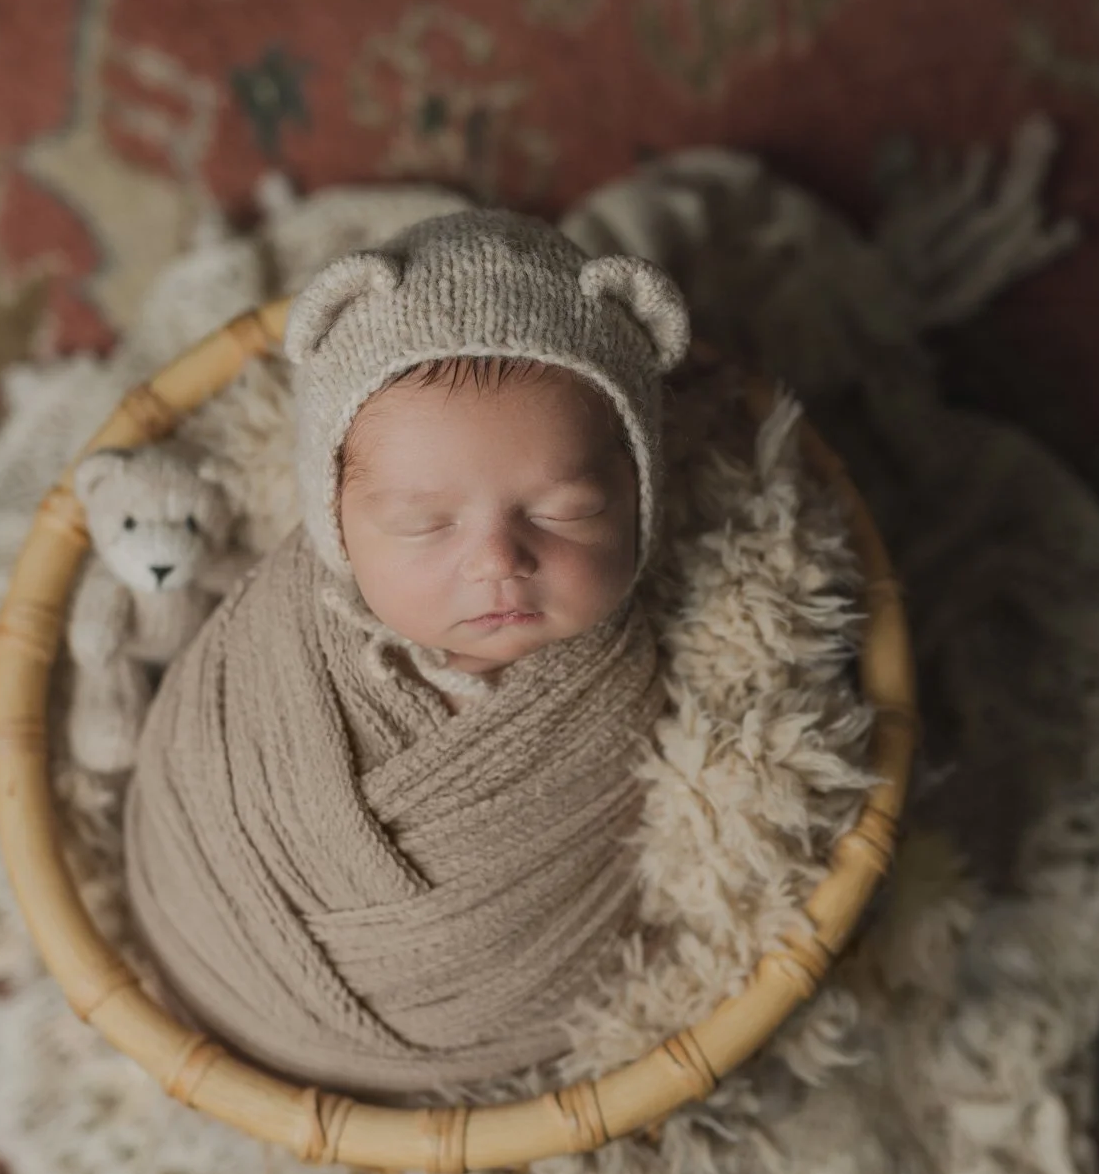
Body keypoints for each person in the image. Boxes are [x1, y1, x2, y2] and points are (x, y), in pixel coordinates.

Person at [123, 208, 691, 1098]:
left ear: (640, 499)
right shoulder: (277, 635)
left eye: (567, 511)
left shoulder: (669, 675)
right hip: (209, 954)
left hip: (513, 1054)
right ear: (334, 527)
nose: (497, 561)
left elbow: (690, 877)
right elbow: (190, 765)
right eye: (424, 525)